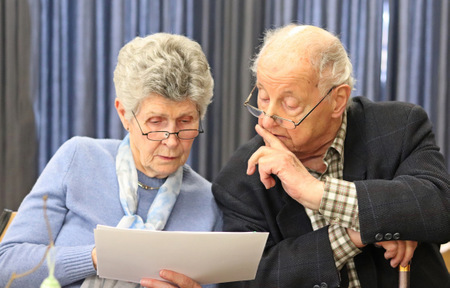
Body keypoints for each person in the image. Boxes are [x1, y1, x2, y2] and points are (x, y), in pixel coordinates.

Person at [212, 24, 450, 287]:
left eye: (290, 104)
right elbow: (247, 278)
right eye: (264, 97)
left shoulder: (399, 126)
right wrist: (350, 235)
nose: (267, 121)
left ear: (337, 100)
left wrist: (318, 193)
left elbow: (440, 206)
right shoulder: (241, 176)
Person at [0, 33, 221, 288]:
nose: (171, 141)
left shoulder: (208, 202)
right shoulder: (79, 159)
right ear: (124, 114)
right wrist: (98, 257)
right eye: (156, 122)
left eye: (185, 122)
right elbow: (7, 264)